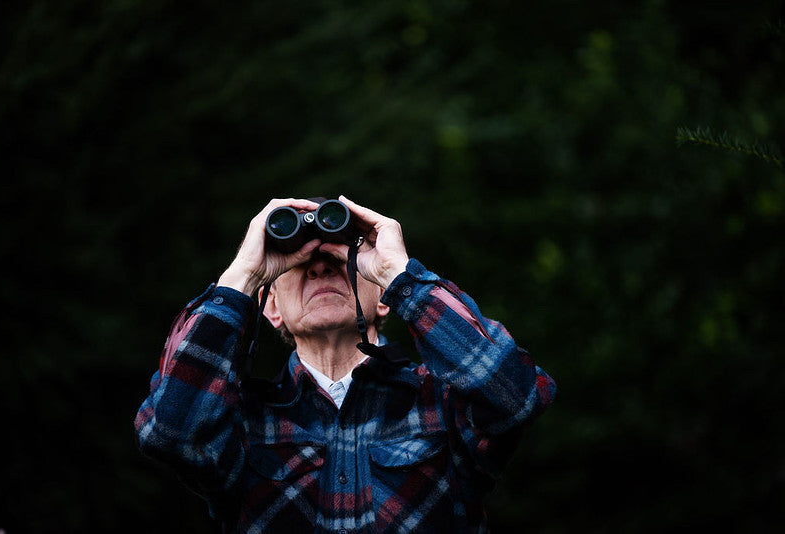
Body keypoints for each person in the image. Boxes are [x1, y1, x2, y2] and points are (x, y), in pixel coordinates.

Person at [135, 196, 556, 533]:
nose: (320, 266)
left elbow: (515, 396)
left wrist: (402, 276)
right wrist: (240, 277)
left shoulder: (441, 401)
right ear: (271, 308)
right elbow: (171, 431)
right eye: (300, 263)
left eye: (339, 259)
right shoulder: (242, 420)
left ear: (384, 297)